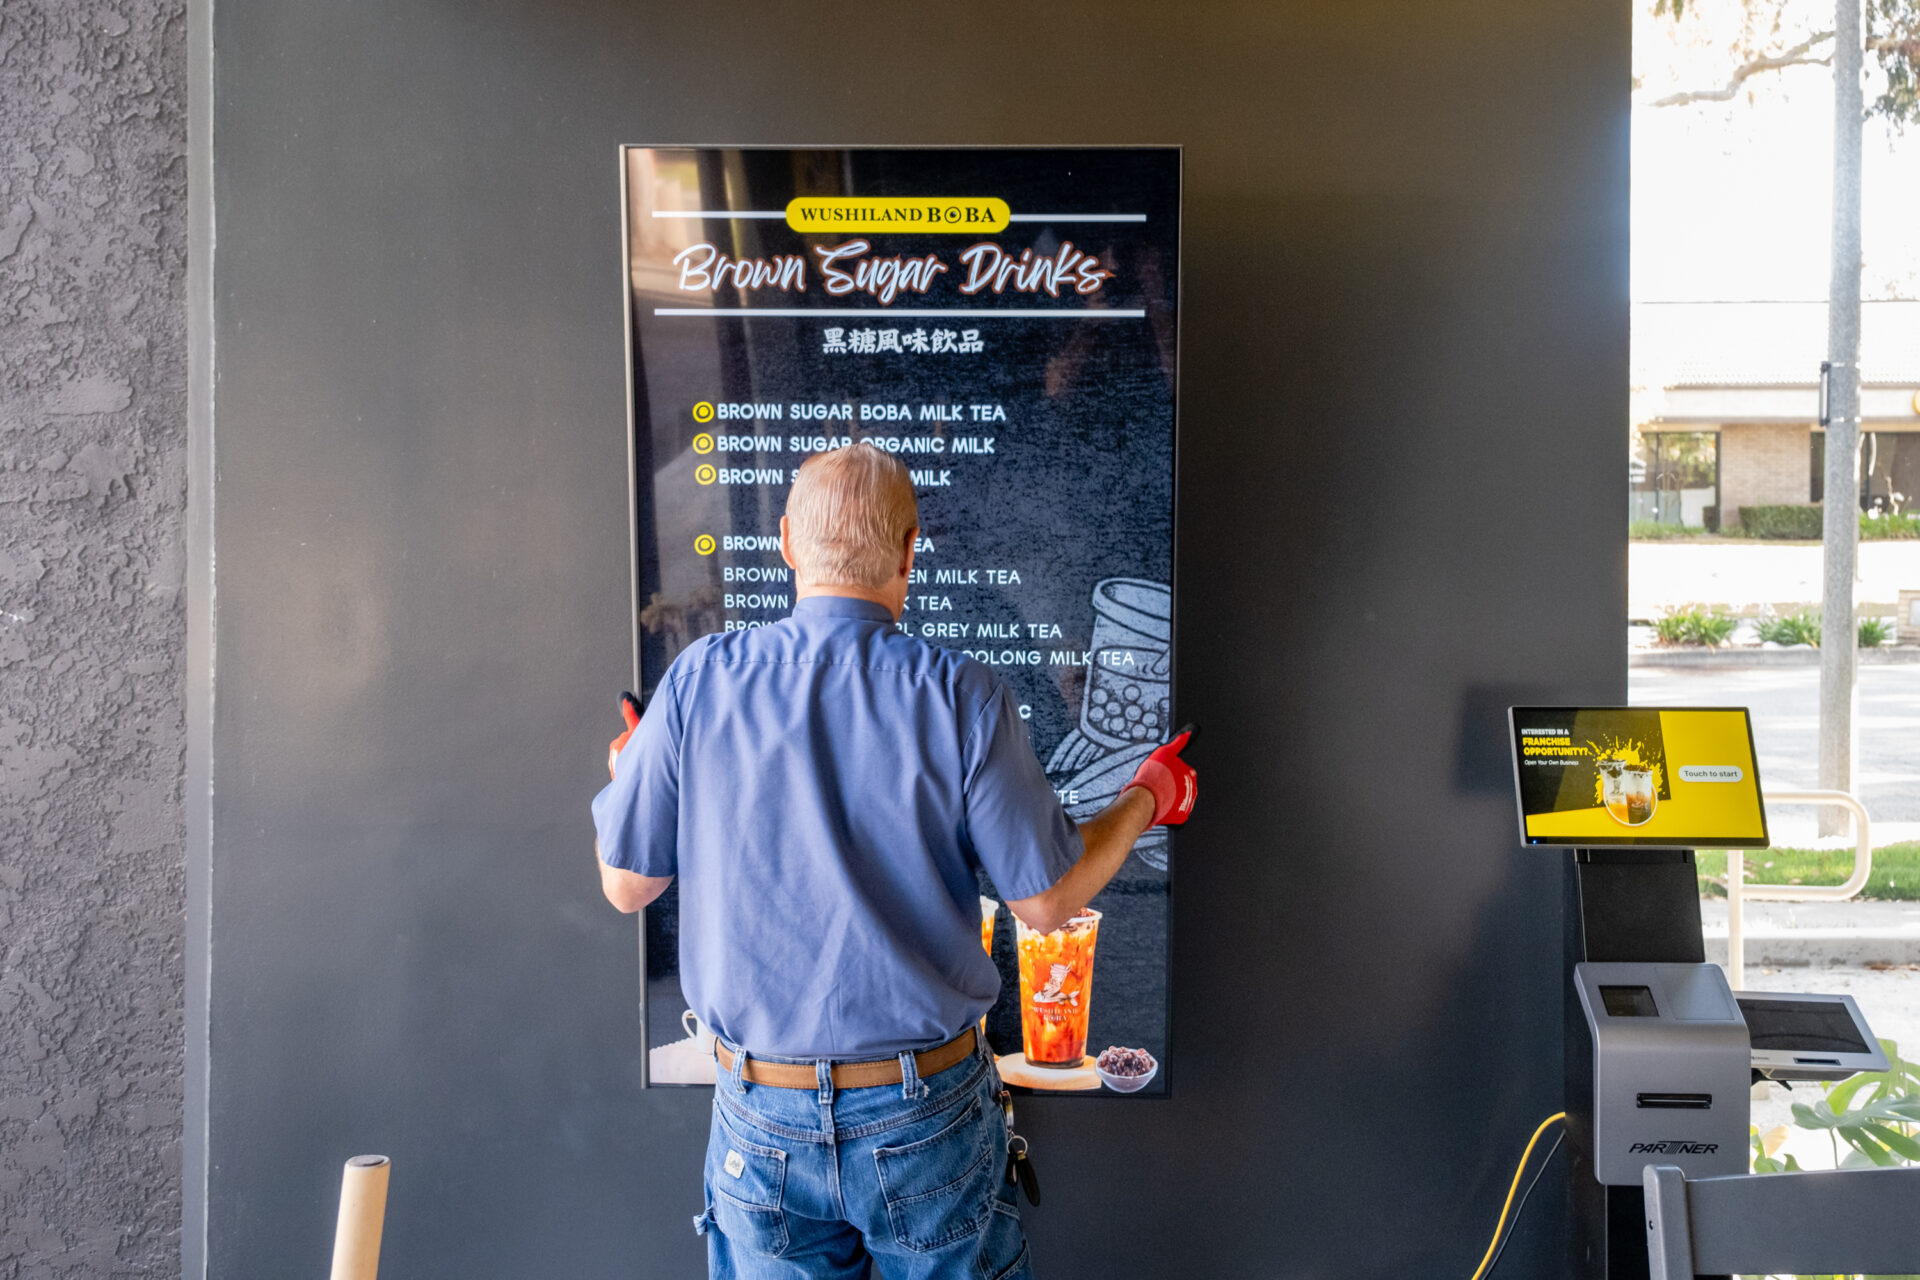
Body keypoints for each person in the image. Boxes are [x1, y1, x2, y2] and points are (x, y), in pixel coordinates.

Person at [591, 443, 1197, 1280]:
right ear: (913, 550)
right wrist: (1148, 797)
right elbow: (1048, 903)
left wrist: (633, 768)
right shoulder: (964, 694)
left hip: (759, 1115)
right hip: (926, 1117)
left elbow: (627, 884)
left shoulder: (698, 683)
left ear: (788, 546)